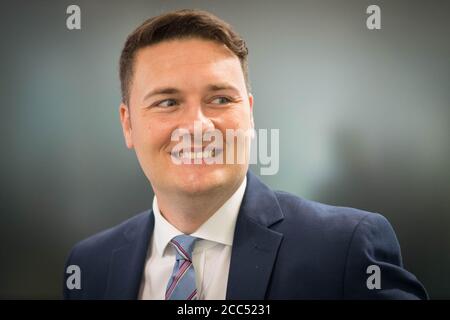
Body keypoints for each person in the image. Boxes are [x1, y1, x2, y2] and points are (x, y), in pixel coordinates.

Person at [63, 9, 427, 300]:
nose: (197, 126)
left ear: (249, 114)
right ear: (128, 124)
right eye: (168, 102)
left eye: (220, 99)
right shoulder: (90, 265)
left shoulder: (347, 248)